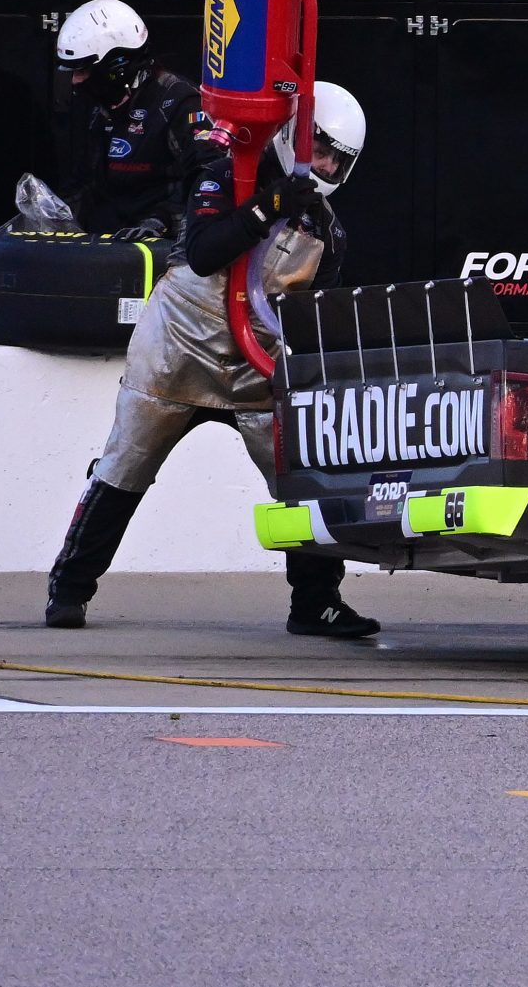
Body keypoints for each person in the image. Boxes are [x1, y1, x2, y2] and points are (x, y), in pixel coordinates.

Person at [45, 85, 378, 635]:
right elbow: (201, 252)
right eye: (318, 149)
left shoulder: (329, 233)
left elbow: (311, 320)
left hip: (256, 371)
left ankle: (315, 603)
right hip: (173, 354)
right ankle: (69, 589)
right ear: (295, 137)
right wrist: (269, 206)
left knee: (304, 482)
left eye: (335, 159)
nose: (323, 165)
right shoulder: (226, 171)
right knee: (123, 470)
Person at [46, 0, 208, 239]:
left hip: (167, 250)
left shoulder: (179, 103)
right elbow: (86, 183)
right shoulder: (100, 110)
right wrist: (52, 214)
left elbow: (207, 182)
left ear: (117, 67)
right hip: (111, 245)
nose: (75, 81)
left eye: (81, 70)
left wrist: (162, 222)